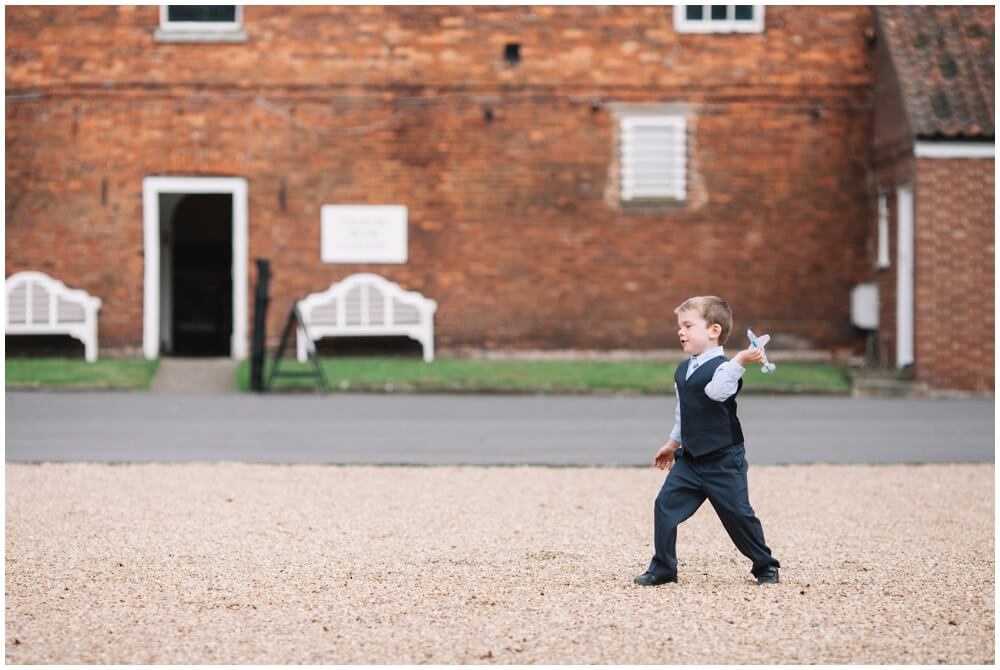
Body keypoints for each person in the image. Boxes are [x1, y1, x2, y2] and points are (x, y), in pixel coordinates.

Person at [634, 296, 781, 586]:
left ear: (714, 331)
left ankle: (765, 564)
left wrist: (739, 360)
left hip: (723, 460)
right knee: (665, 505)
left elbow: (716, 392)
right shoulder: (681, 371)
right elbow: (683, 412)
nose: (681, 332)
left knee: (738, 515)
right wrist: (672, 444)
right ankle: (663, 567)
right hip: (690, 459)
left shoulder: (726, 369)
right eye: (680, 326)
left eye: (688, 325)